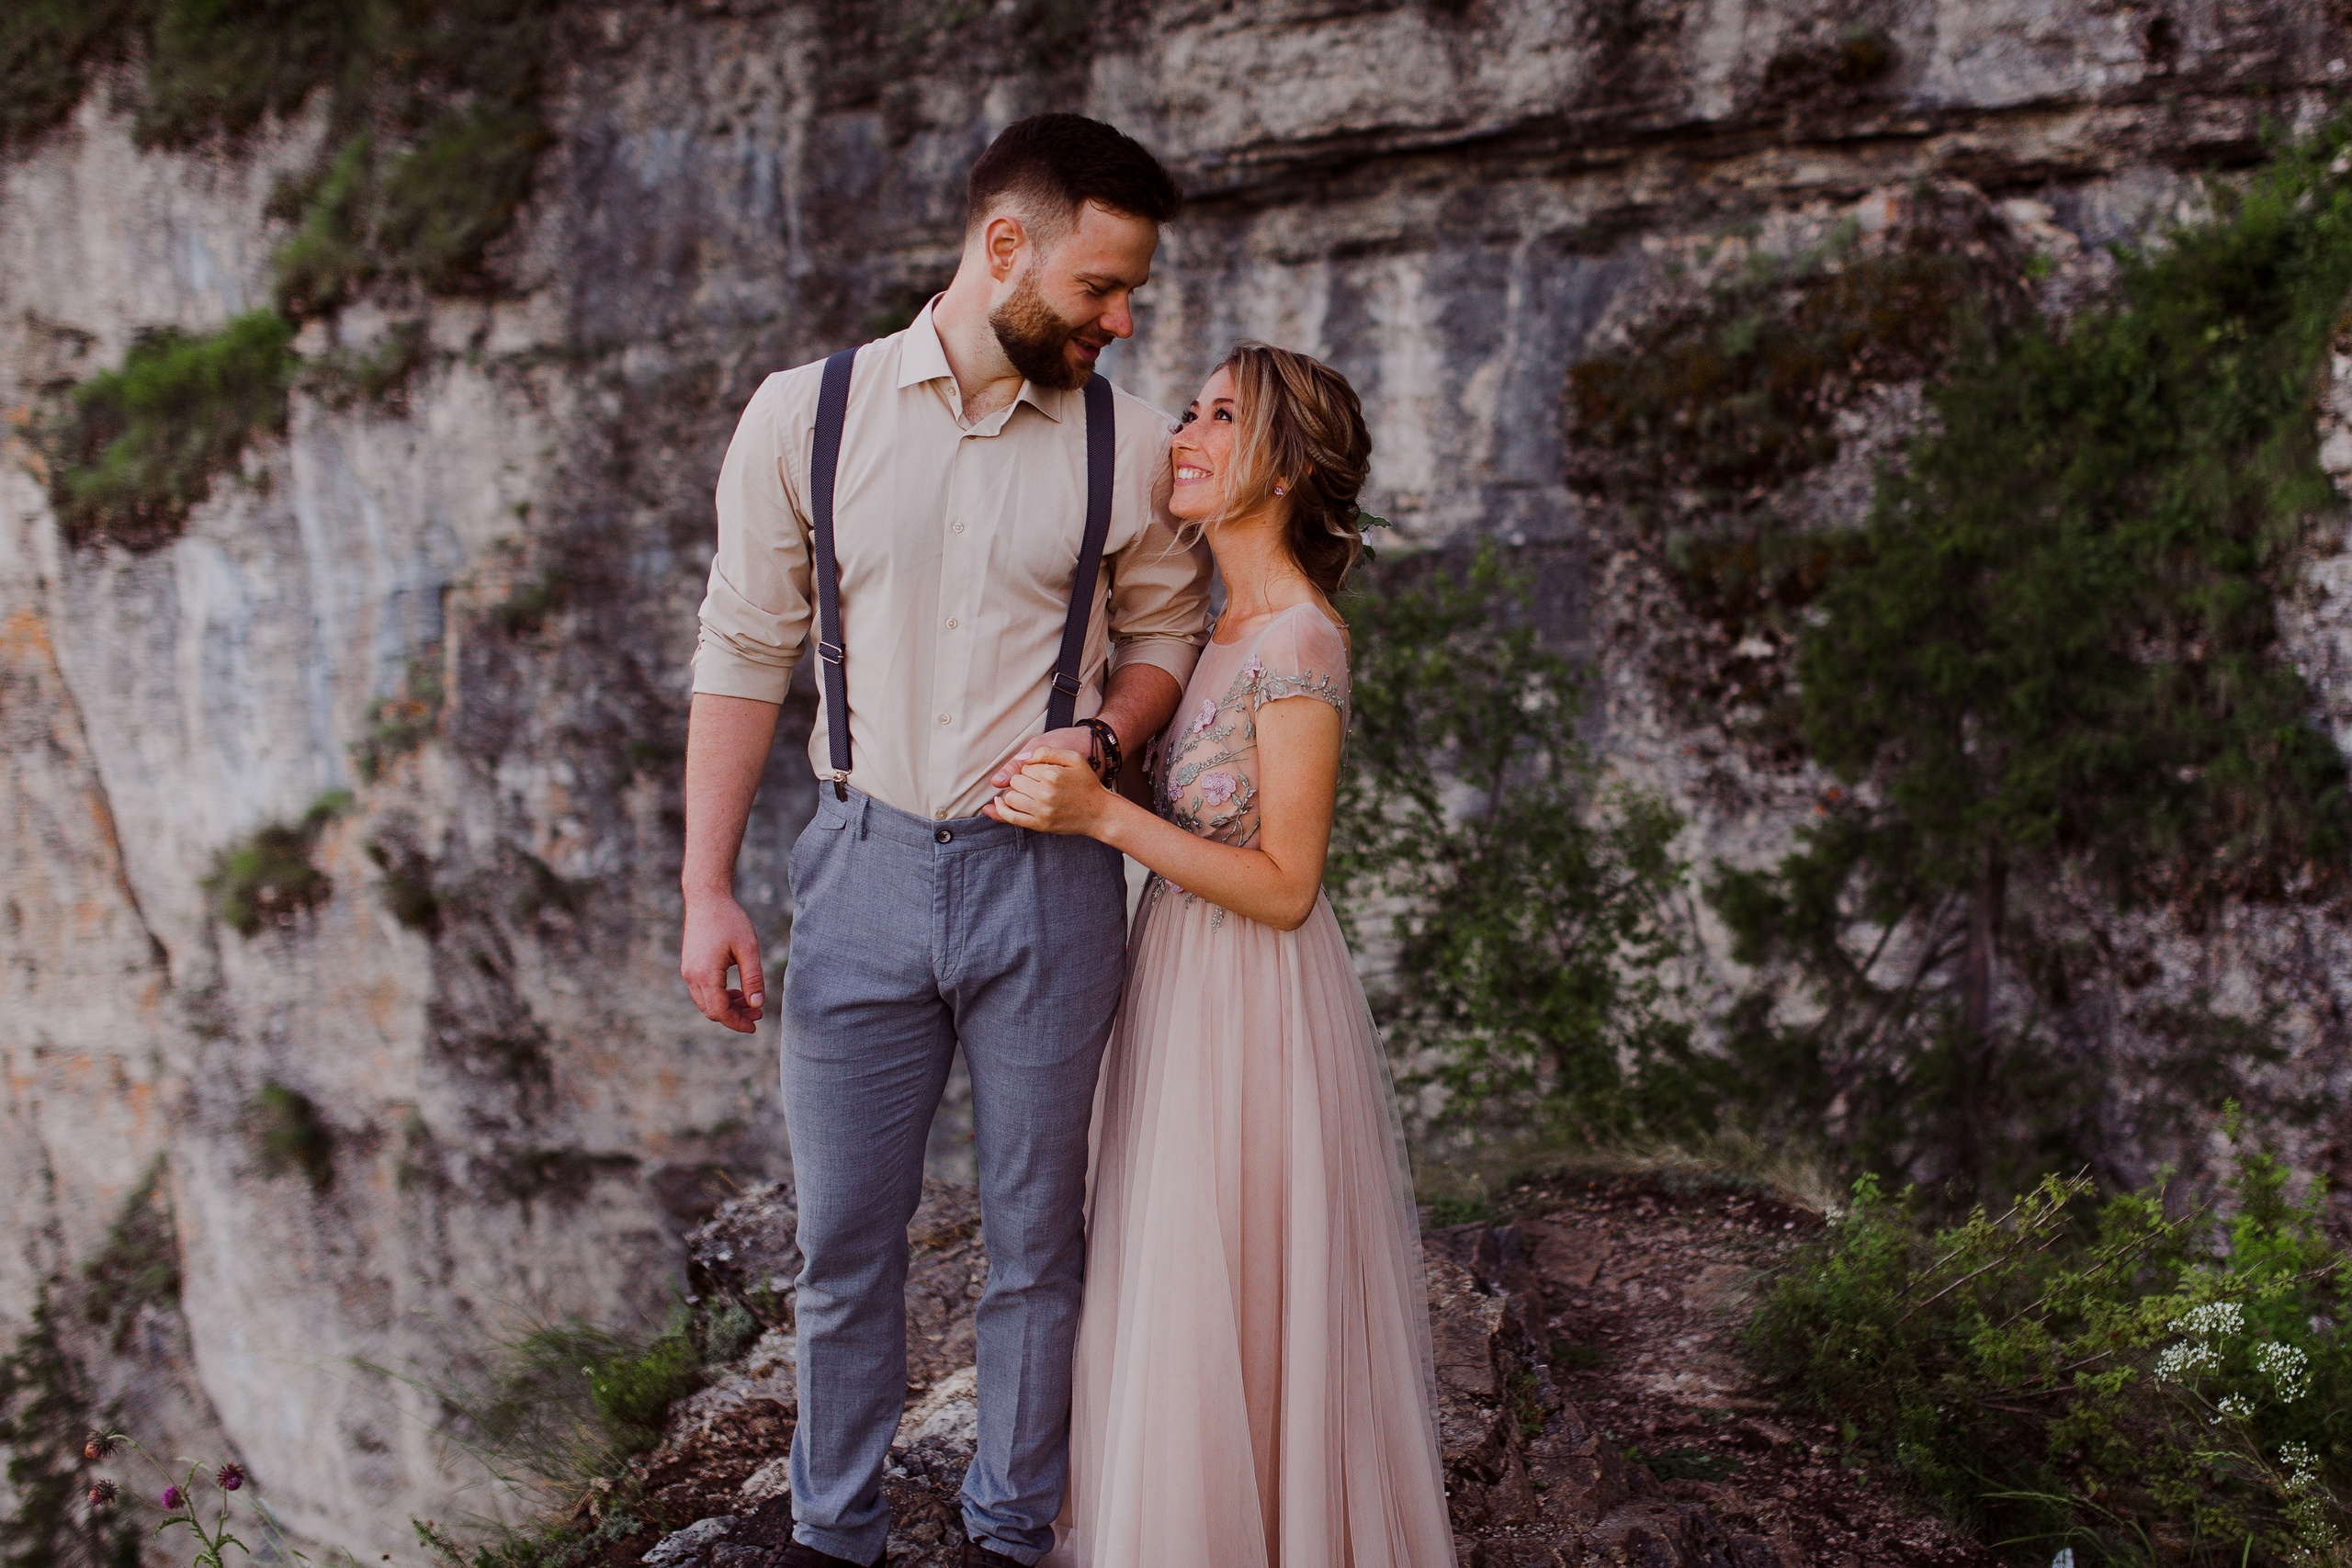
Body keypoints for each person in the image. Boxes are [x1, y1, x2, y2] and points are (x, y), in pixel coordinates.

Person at [677, 114, 1208, 1568]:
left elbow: (1166, 631)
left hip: (1051, 881)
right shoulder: (806, 413)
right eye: (1101, 287)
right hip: (856, 866)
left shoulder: (1131, 439)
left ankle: (1008, 1530)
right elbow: (742, 648)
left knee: (1042, 1240)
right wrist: (705, 888)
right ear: (1003, 248)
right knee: (843, 1247)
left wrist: (1105, 737)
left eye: (1131, 294)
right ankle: (831, 1535)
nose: (1120, 317)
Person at [996, 344, 1458, 1567]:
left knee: (1235, 1283)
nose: (1184, 436)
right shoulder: (1213, 626)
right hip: (1177, 981)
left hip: (1254, 999)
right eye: (1190, 411)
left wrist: (1103, 816)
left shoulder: (1301, 641)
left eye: (1219, 419)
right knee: (1169, 1283)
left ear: (1290, 466)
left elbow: (1287, 882)